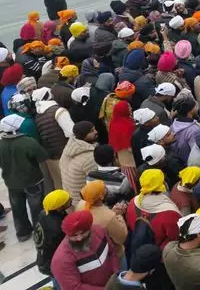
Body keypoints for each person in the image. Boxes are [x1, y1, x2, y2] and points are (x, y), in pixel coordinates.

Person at [0, 113, 47, 241]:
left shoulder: (1, 144)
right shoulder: (27, 142)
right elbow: (42, 156)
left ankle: (22, 233)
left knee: (17, 209)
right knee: (37, 208)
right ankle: (40, 233)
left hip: (11, 183)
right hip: (32, 180)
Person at [51, 210, 120, 289]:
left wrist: (115, 274)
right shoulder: (61, 259)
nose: (79, 238)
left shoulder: (99, 231)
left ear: (89, 228)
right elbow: (74, 288)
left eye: (83, 233)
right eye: (74, 235)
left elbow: (112, 252)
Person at [77, 180, 129, 258]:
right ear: (101, 197)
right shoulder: (109, 217)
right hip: (110, 256)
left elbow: (98, 217)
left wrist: (110, 212)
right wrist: (118, 216)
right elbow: (121, 238)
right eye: (104, 188)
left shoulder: (80, 204)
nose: (106, 188)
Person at [60, 120, 100, 202]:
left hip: (71, 198)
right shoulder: (90, 157)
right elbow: (96, 185)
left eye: (94, 129)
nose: (96, 132)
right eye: (91, 131)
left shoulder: (67, 150)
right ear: (83, 136)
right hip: (85, 201)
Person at [34, 189, 71, 276]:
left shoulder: (43, 213)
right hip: (52, 265)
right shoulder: (58, 228)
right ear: (59, 207)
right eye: (67, 200)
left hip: (43, 258)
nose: (71, 200)